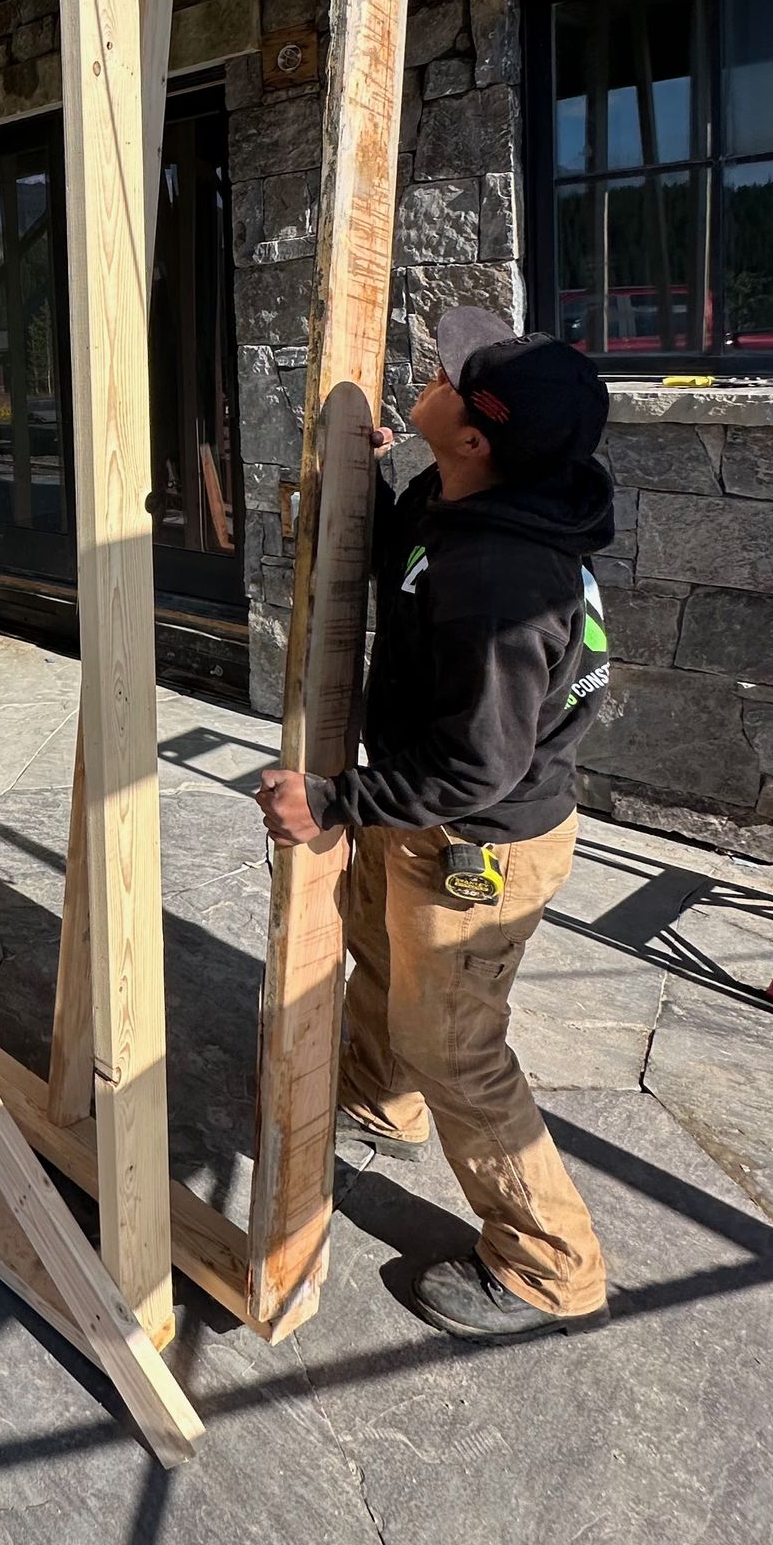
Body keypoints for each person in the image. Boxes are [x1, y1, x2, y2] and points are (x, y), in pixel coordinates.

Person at [255, 307, 615, 1341]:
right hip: (433, 807)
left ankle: (551, 1264)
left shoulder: (503, 583)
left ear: (473, 437)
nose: (433, 373)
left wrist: (331, 803)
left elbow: (475, 765)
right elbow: (406, 566)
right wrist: (362, 486)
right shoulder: (466, 499)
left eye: (454, 382)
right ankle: (380, 1092)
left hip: (480, 840)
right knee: (376, 945)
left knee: (454, 1041)